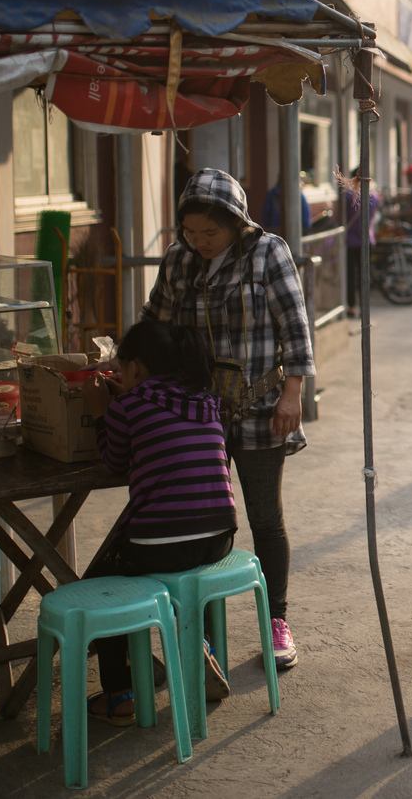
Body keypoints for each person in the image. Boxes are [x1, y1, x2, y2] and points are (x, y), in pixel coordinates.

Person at [141, 168, 312, 670]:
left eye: (209, 233)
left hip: (262, 408)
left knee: (265, 518)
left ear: (236, 223)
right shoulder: (179, 261)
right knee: (208, 522)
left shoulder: (269, 252)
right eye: (190, 233)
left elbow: (295, 326)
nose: (199, 242)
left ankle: (276, 622)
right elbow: (157, 322)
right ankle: (206, 635)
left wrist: (293, 394)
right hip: (196, 417)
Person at [86, 319, 236, 725]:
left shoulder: (129, 407)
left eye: (120, 367)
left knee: (101, 587)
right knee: (179, 571)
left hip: (162, 541)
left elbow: (113, 460)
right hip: (220, 535)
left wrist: (103, 412)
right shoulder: (206, 400)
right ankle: (197, 647)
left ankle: (120, 695)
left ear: (137, 369)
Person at [338, 167, 379, 319]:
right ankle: (364, 307)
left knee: (350, 274)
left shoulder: (348, 196)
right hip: (366, 240)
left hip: (350, 240)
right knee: (364, 275)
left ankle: (351, 306)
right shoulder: (374, 196)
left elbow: (340, 217)